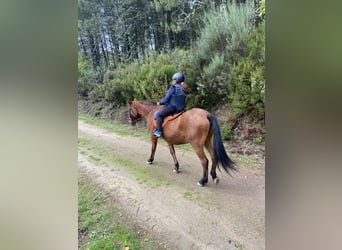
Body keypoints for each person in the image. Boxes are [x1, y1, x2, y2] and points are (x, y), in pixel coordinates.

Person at [153, 72, 187, 137]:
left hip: (172, 108)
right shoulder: (184, 89)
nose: (172, 81)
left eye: (173, 80)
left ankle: (159, 131)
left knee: (158, 114)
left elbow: (166, 99)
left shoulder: (173, 88)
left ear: (176, 80)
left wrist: (159, 103)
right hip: (181, 109)